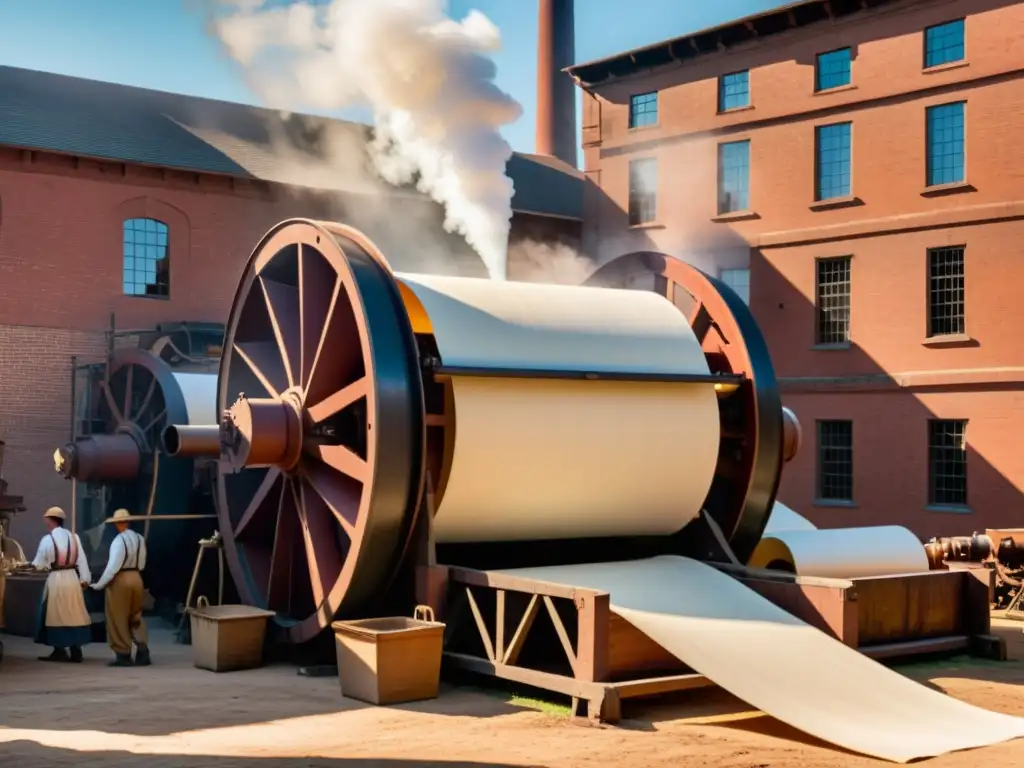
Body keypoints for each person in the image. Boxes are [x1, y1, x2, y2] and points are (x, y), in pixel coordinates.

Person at [30, 506, 92, 663]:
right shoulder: (74, 537)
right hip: (72, 578)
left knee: (56, 614)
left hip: (56, 579)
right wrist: (84, 579)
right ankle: (75, 650)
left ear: (51, 520)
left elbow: (39, 564)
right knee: (73, 613)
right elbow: (82, 560)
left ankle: (59, 649)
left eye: (46, 519)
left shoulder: (47, 540)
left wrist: (28, 566)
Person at [91, 508, 150, 667]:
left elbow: (112, 568)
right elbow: (142, 563)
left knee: (118, 617)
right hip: (137, 577)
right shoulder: (139, 538)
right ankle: (143, 650)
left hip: (121, 579)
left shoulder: (118, 541)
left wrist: (98, 585)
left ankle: (123, 653)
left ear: (117, 524)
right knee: (136, 615)